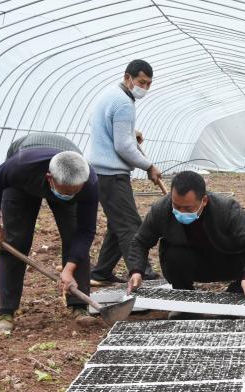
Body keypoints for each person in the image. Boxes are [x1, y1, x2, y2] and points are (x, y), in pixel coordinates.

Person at [0, 133, 98, 334]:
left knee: (73, 237)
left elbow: (86, 231)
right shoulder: (20, 166)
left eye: (75, 191)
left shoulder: (88, 182)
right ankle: (6, 312)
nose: (69, 195)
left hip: (64, 168)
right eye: (66, 191)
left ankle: (79, 306)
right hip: (22, 183)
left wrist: (69, 269)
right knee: (16, 239)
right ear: (50, 179)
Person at [126, 171, 245, 318]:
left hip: (227, 260)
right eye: (176, 206)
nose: (181, 212)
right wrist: (136, 271)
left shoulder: (225, 208)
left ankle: (233, 299)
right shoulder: (161, 210)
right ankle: (185, 304)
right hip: (193, 263)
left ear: (204, 201)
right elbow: (140, 241)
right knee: (172, 254)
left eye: (188, 208)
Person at [87, 59, 161, 286]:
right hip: (112, 175)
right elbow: (123, 147)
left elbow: (112, 131)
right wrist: (149, 166)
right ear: (127, 77)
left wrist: (131, 132)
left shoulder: (111, 95)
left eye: (148, 84)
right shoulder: (124, 103)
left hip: (101, 172)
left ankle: (101, 272)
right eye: (141, 82)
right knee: (130, 224)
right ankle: (143, 273)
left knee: (117, 225)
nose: (144, 88)